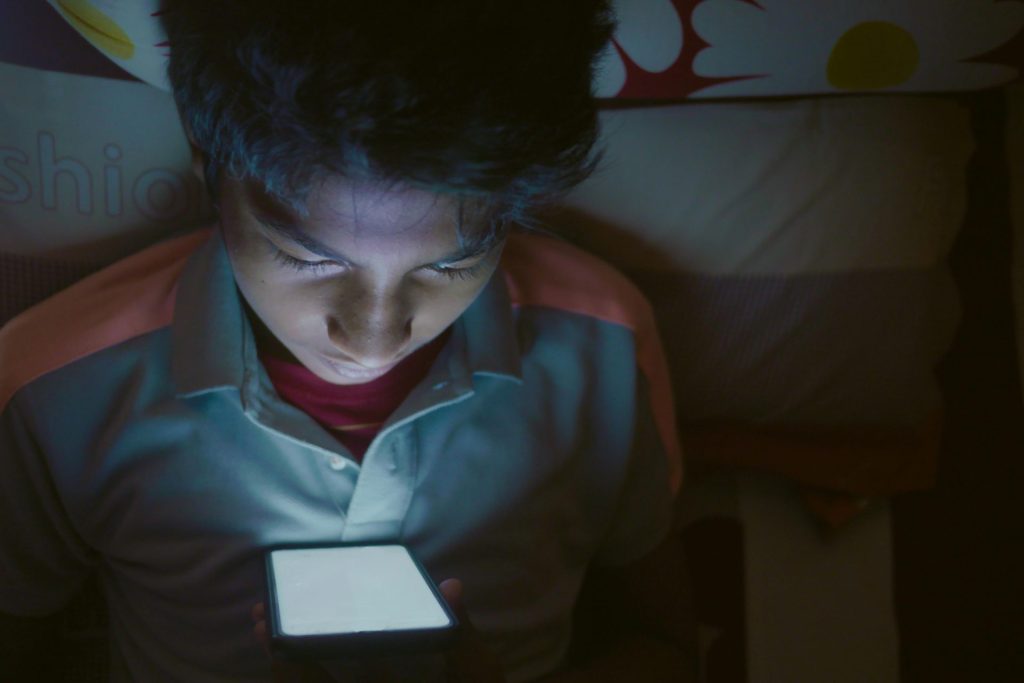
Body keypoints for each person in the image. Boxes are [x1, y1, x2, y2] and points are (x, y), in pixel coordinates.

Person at [0, 1, 694, 681]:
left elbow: (668, 648)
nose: (373, 340)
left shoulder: (603, 346)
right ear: (206, 157)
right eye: (307, 257)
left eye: (452, 264)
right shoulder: (56, 391)